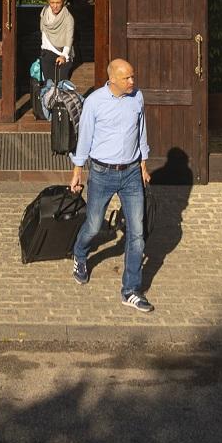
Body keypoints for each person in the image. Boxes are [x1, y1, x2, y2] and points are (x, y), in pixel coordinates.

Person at [69, 57, 154, 312]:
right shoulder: (94, 102)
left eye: (132, 76)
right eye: (127, 77)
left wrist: (143, 164)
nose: (132, 81)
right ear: (113, 79)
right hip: (102, 172)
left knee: (137, 232)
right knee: (94, 225)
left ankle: (131, 290)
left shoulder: (137, 97)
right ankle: (80, 254)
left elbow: (141, 131)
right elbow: (84, 138)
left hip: (130, 174)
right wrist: (77, 171)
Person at [35, 0, 74, 117]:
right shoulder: (44, 13)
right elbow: (43, 33)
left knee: (62, 85)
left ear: (63, 2)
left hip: (62, 53)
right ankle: (47, 112)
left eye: (58, 2)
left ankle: (62, 114)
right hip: (47, 52)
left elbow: (69, 37)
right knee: (49, 84)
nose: (55, 6)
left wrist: (64, 55)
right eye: (52, 2)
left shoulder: (68, 18)